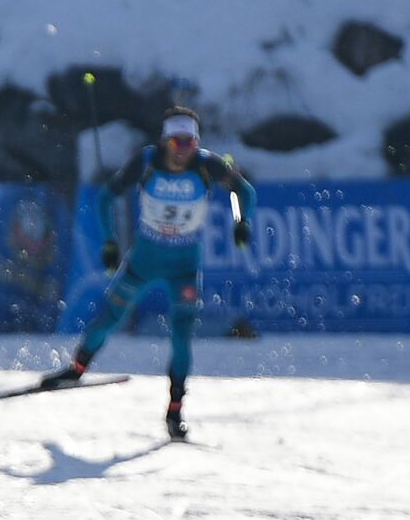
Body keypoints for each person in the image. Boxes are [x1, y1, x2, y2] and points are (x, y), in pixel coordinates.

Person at [51, 106, 257, 440]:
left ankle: (175, 412)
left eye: (188, 143)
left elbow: (244, 191)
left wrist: (241, 221)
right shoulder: (145, 162)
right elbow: (105, 198)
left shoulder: (207, 165)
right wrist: (109, 241)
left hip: (184, 268)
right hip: (143, 261)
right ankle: (76, 370)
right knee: (110, 317)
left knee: (181, 337)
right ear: (164, 141)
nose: (182, 150)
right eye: (176, 142)